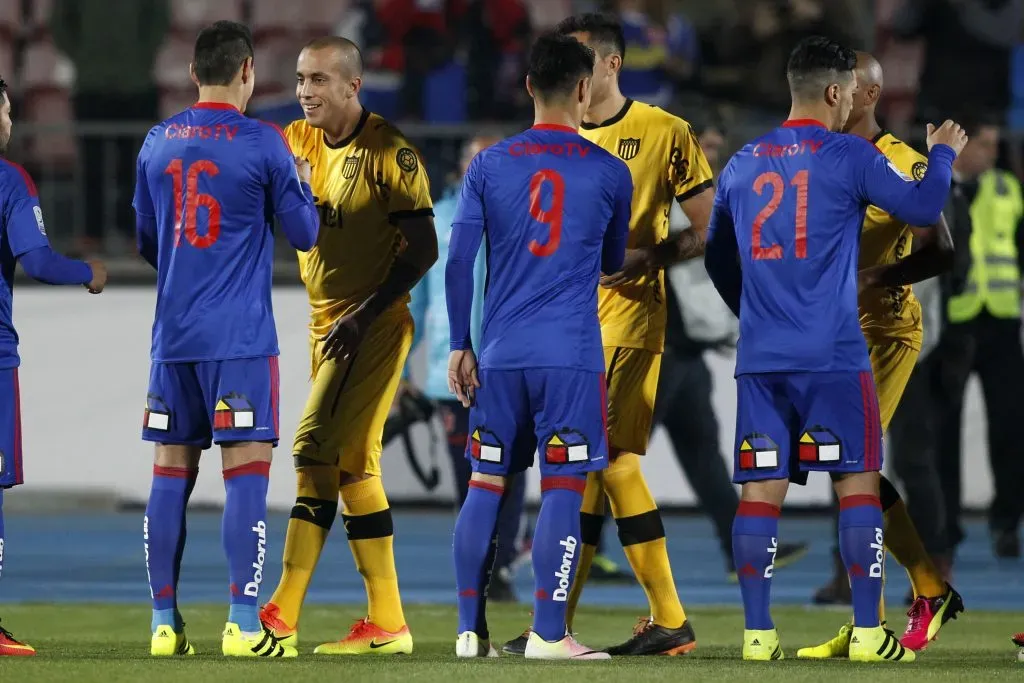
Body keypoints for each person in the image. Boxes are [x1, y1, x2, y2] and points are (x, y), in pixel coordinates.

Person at [703, 35, 965, 662]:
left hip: (763, 354)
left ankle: (758, 637)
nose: (850, 101)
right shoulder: (851, 154)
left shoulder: (742, 162)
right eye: (845, 91)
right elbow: (926, 202)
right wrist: (943, 154)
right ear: (833, 91)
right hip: (835, 350)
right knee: (855, 479)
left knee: (760, 489)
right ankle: (872, 630)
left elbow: (716, 256)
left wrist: (756, 313)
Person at [503, 12, 715, 657]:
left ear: (611, 64)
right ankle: (554, 625)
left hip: (627, 322)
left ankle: (670, 617)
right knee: (583, 477)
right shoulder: (549, 136)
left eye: (581, 59)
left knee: (613, 461)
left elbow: (709, 225)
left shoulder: (664, 131)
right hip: (562, 330)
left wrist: (651, 257)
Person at [133, 21, 318, 658]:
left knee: (169, 473)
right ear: (247, 71)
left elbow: (148, 242)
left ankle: (163, 625)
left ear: (193, 73)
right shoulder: (265, 143)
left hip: (173, 338)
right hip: (239, 339)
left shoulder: (156, 142)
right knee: (245, 476)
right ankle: (241, 623)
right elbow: (305, 235)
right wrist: (302, 181)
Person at [447, 32, 628, 661]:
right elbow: (612, 262)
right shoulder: (610, 171)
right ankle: (550, 634)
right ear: (584, 89)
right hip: (570, 358)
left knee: (485, 483)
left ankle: (469, 632)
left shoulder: (488, 165)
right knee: (561, 489)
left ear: (528, 86)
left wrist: (461, 344)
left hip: (498, 355)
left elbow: (459, 260)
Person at [259, 36, 438, 656]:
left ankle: (281, 613)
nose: (304, 91)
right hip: (326, 323)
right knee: (349, 467)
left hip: (373, 323)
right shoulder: (296, 141)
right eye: (300, 78)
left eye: (318, 80)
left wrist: (366, 314)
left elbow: (424, 250)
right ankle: (386, 622)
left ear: (352, 86)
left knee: (312, 449)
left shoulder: (392, 153)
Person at [801, 51, 964, 656]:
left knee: (851, 464)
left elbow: (941, 250)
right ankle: (898, 602)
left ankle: (911, 596)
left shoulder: (900, 161)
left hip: (882, 331)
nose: (834, 96)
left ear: (867, 96)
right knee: (841, 464)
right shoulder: (823, 156)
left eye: (843, 88)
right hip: (829, 333)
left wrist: (872, 277)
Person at [655, 114, 809, 579]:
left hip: (686, 349)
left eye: (716, 147)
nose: (711, 156)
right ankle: (582, 545)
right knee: (620, 455)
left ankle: (738, 546)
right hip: (657, 346)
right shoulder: (660, 191)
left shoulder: (704, 193)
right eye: (705, 146)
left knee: (703, 454)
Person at [0, 77, 107, 657]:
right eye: (6, 111)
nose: (10, 122)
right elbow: (38, 261)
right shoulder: (9, 180)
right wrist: (88, 272)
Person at [403, 134, 526, 603]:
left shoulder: (525, 216)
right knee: (470, 476)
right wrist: (398, 371)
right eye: (479, 162)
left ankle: (502, 562)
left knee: (511, 470)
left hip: (512, 365)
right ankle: (481, 565)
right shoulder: (435, 221)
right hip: (452, 374)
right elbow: (414, 302)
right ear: (461, 169)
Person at [933, 113, 1024, 560]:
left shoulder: (1007, 187)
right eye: (984, 143)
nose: (992, 152)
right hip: (953, 324)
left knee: (1010, 427)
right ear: (962, 145)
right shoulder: (933, 187)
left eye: (995, 144)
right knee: (943, 432)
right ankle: (945, 528)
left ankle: (1006, 523)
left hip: (1002, 322)